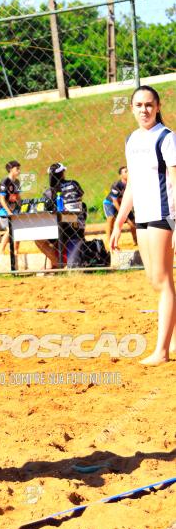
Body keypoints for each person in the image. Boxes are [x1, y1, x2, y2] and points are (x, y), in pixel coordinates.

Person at [111, 84, 176, 366]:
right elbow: (132, 185)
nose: (144, 110)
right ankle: (172, 339)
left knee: (162, 280)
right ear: (132, 109)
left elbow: (174, 179)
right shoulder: (132, 140)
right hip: (144, 216)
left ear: (158, 107)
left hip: (165, 214)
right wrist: (119, 222)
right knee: (154, 280)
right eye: (138, 105)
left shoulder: (166, 138)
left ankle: (161, 351)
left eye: (149, 105)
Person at [35, 163, 85, 269]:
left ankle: (57, 263)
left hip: (59, 225)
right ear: (62, 174)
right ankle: (57, 263)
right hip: (77, 223)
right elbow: (81, 200)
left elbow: (47, 210)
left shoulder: (49, 192)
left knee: (39, 239)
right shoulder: (74, 184)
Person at [103, 166, 137, 250]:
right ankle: (109, 241)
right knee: (111, 220)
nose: (128, 173)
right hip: (110, 203)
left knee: (132, 223)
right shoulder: (117, 185)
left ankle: (136, 241)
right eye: (125, 171)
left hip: (124, 204)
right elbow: (115, 201)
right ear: (121, 175)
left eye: (128, 171)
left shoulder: (133, 183)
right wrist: (123, 215)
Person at [0, 160, 21, 256]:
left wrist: (22, 206)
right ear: (11, 170)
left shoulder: (17, 182)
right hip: (3, 210)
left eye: (19, 168)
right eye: (17, 169)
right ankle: (0, 251)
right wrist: (9, 211)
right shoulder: (5, 182)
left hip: (12, 209)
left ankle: (15, 251)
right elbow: (1, 199)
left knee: (17, 229)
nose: (19, 171)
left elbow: (18, 196)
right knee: (10, 230)